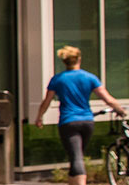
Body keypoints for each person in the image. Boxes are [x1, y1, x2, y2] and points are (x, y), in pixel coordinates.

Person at [36, 46, 129, 185]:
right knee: (76, 155)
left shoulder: (58, 79)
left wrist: (39, 117)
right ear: (79, 59)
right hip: (87, 121)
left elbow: (46, 102)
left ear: (64, 61)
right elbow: (107, 99)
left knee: (76, 157)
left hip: (68, 122)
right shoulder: (89, 77)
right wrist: (121, 111)